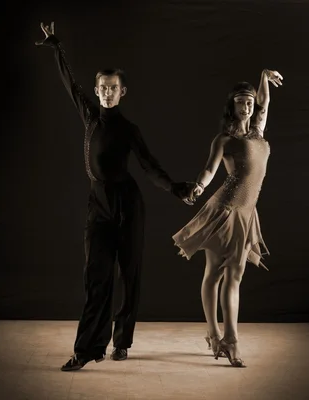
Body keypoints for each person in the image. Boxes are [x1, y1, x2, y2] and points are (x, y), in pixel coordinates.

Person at [35, 22, 196, 371]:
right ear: (97, 90)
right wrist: (56, 46)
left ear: (123, 92)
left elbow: (149, 166)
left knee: (129, 275)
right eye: (102, 88)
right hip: (99, 206)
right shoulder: (90, 115)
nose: (107, 93)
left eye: (113, 88)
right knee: (97, 277)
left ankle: (121, 341)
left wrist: (176, 188)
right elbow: (69, 85)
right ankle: (86, 350)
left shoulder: (128, 130)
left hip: (128, 206)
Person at [172, 69, 283, 367]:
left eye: (250, 102)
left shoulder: (258, 131)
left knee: (232, 276)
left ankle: (221, 338)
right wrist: (198, 186)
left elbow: (266, 101)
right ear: (231, 107)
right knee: (216, 274)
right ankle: (223, 338)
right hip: (225, 210)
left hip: (247, 212)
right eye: (240, 103)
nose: (246, 107)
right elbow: (209, 170)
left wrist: (263, 77)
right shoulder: (223, 139)